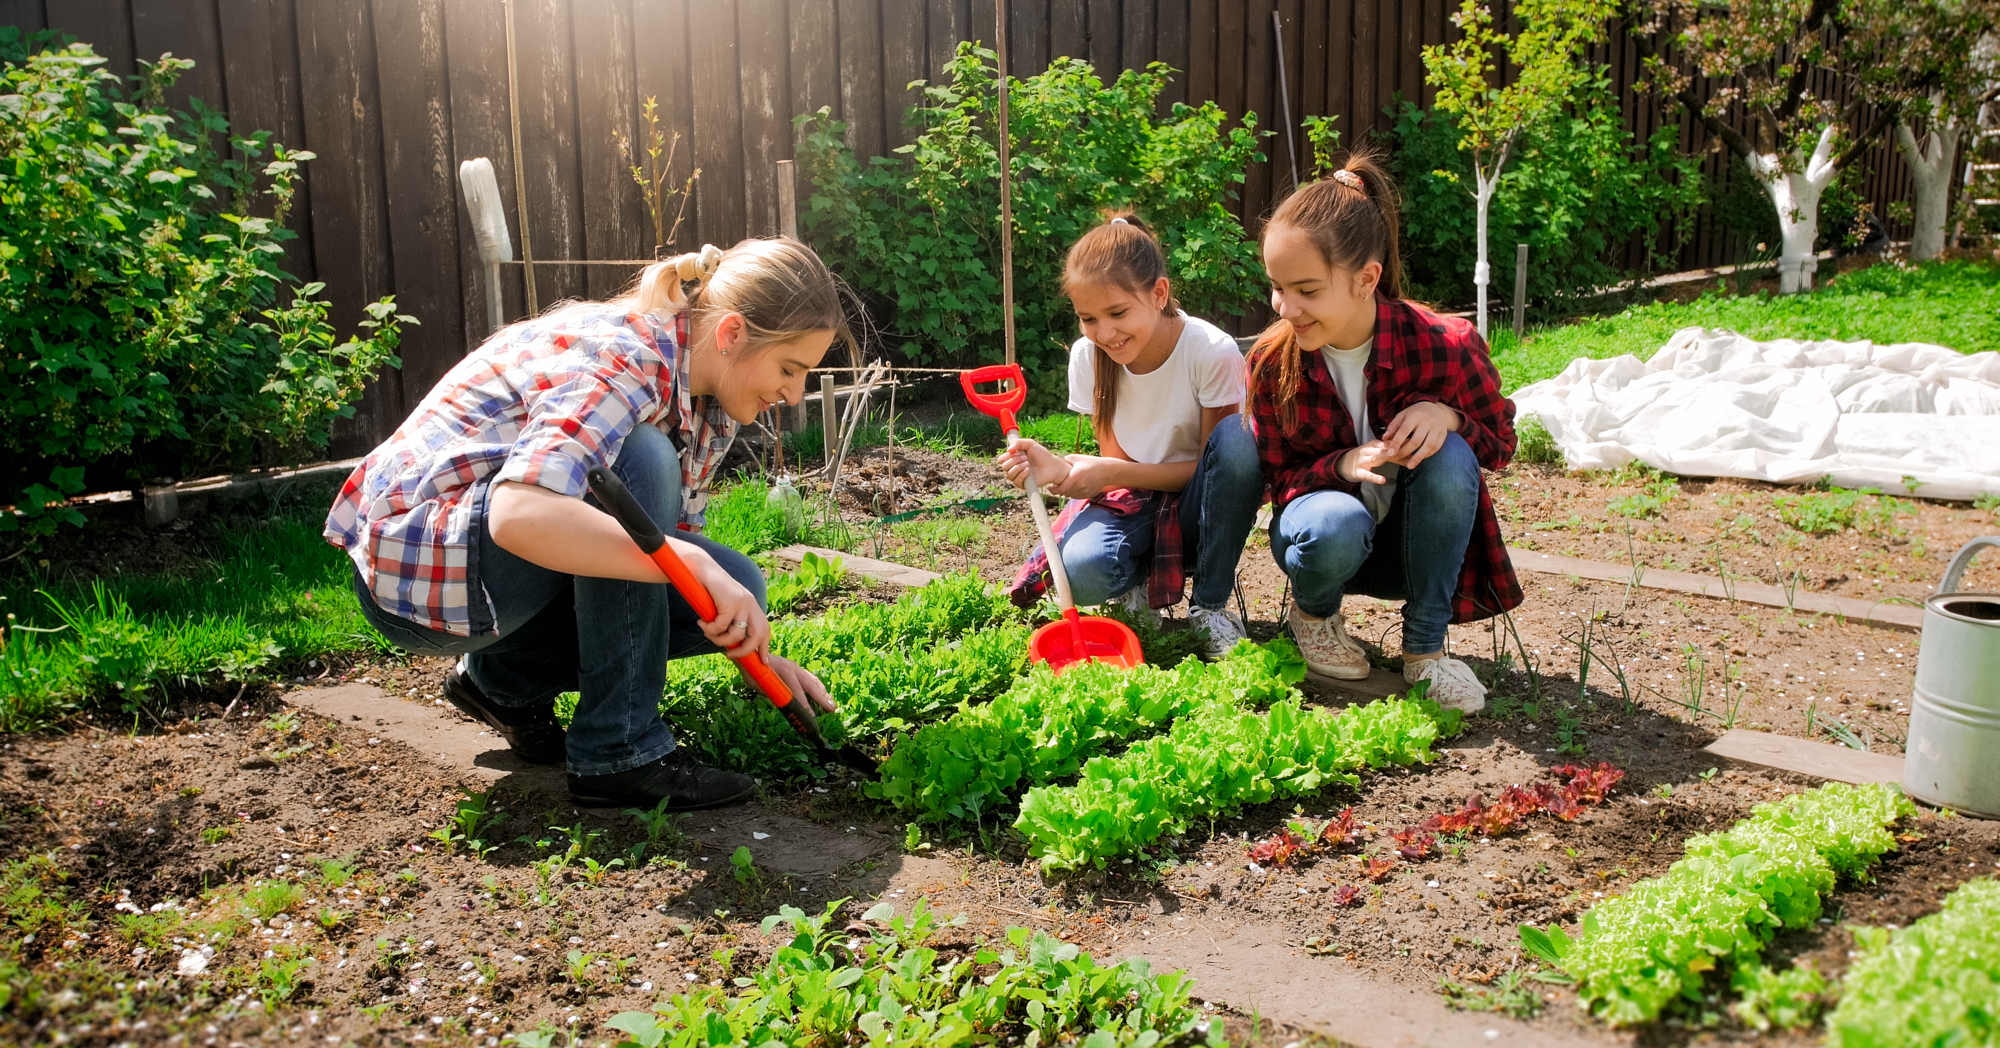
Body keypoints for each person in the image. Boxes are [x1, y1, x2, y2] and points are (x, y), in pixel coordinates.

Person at [325, 238, 846, 810]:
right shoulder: (627, 357)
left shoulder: (706, 399)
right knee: (637, 459)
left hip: (486, 579)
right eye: (790, 369)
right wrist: (690, 562)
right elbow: (519, 514)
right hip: (422, 570)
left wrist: (758, 659)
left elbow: (662, 547)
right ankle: (617, 752)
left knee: (735, 587)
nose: (794, 394)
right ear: (731, 334)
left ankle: (500, 683)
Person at [1246, 155, 1522, 712]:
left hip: (1413, 550)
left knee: (1450, 457)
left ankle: (1425, 653)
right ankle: (1315, 617)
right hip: (1326, 542)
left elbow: (1500, 443)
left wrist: (1450, 419)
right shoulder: (1273, 362)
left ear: (1366, 278)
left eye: (1307, 290)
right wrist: (1341, 466)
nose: (1286, 307)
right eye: (1277, 287)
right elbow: (1277, 481)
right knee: (1334, 522)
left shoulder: (1445, 344)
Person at [1001, 212, 1263, 658]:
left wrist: (1108, 472)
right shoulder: (1089, 356)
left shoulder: (1209, 350)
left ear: (1159, 293)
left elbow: (1218, 469)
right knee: (1081, 571)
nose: (1105, 333)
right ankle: (1134, 586)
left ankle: (1210, 607)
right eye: (1088, 318)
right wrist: (1061, 469)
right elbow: (1118, 472)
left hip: (1204, 505)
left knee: (1241, 443)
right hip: (1137, 498)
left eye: (1118, 312)